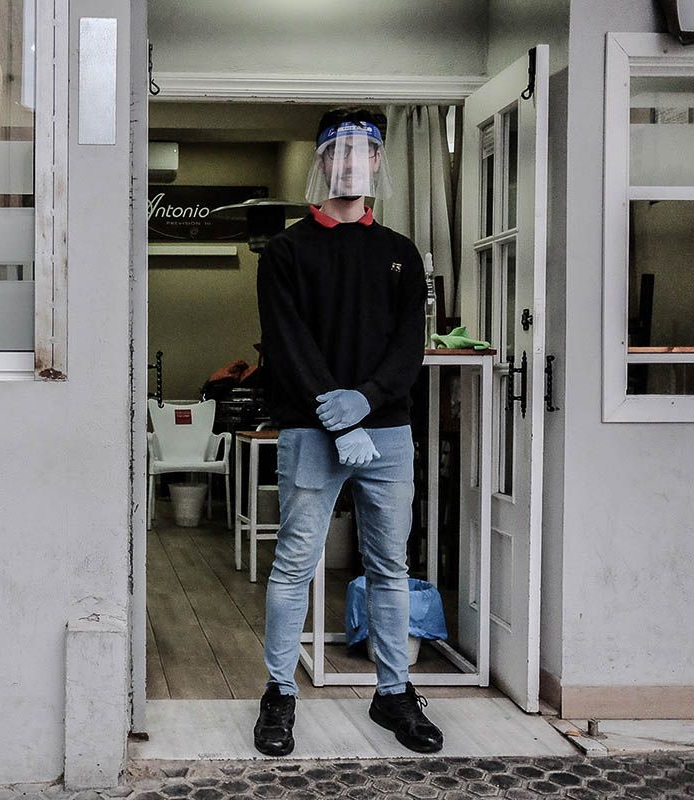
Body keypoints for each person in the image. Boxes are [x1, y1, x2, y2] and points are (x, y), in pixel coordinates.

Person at [252, 108, 443, 757]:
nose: (352, 162)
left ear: (380, 161)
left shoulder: (399, 253)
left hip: (385, 435)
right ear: (322, 161)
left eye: (366, 150)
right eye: (340, 150)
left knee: (390, 566)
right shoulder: (285, 252)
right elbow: (287, 344)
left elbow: (408, 348)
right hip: (310, 432)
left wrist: (364, 401)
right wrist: (335, 416)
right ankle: (279, 692)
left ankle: (394, 693)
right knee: (294, 565)